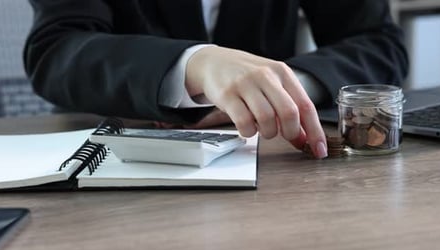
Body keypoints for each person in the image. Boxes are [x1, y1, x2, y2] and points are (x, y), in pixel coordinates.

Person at [24, 0, 408, 159]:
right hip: (115, 154)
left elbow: (378, 41)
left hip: (271, 162)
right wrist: (192, 65)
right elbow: (56, 49)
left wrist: (281, 87)